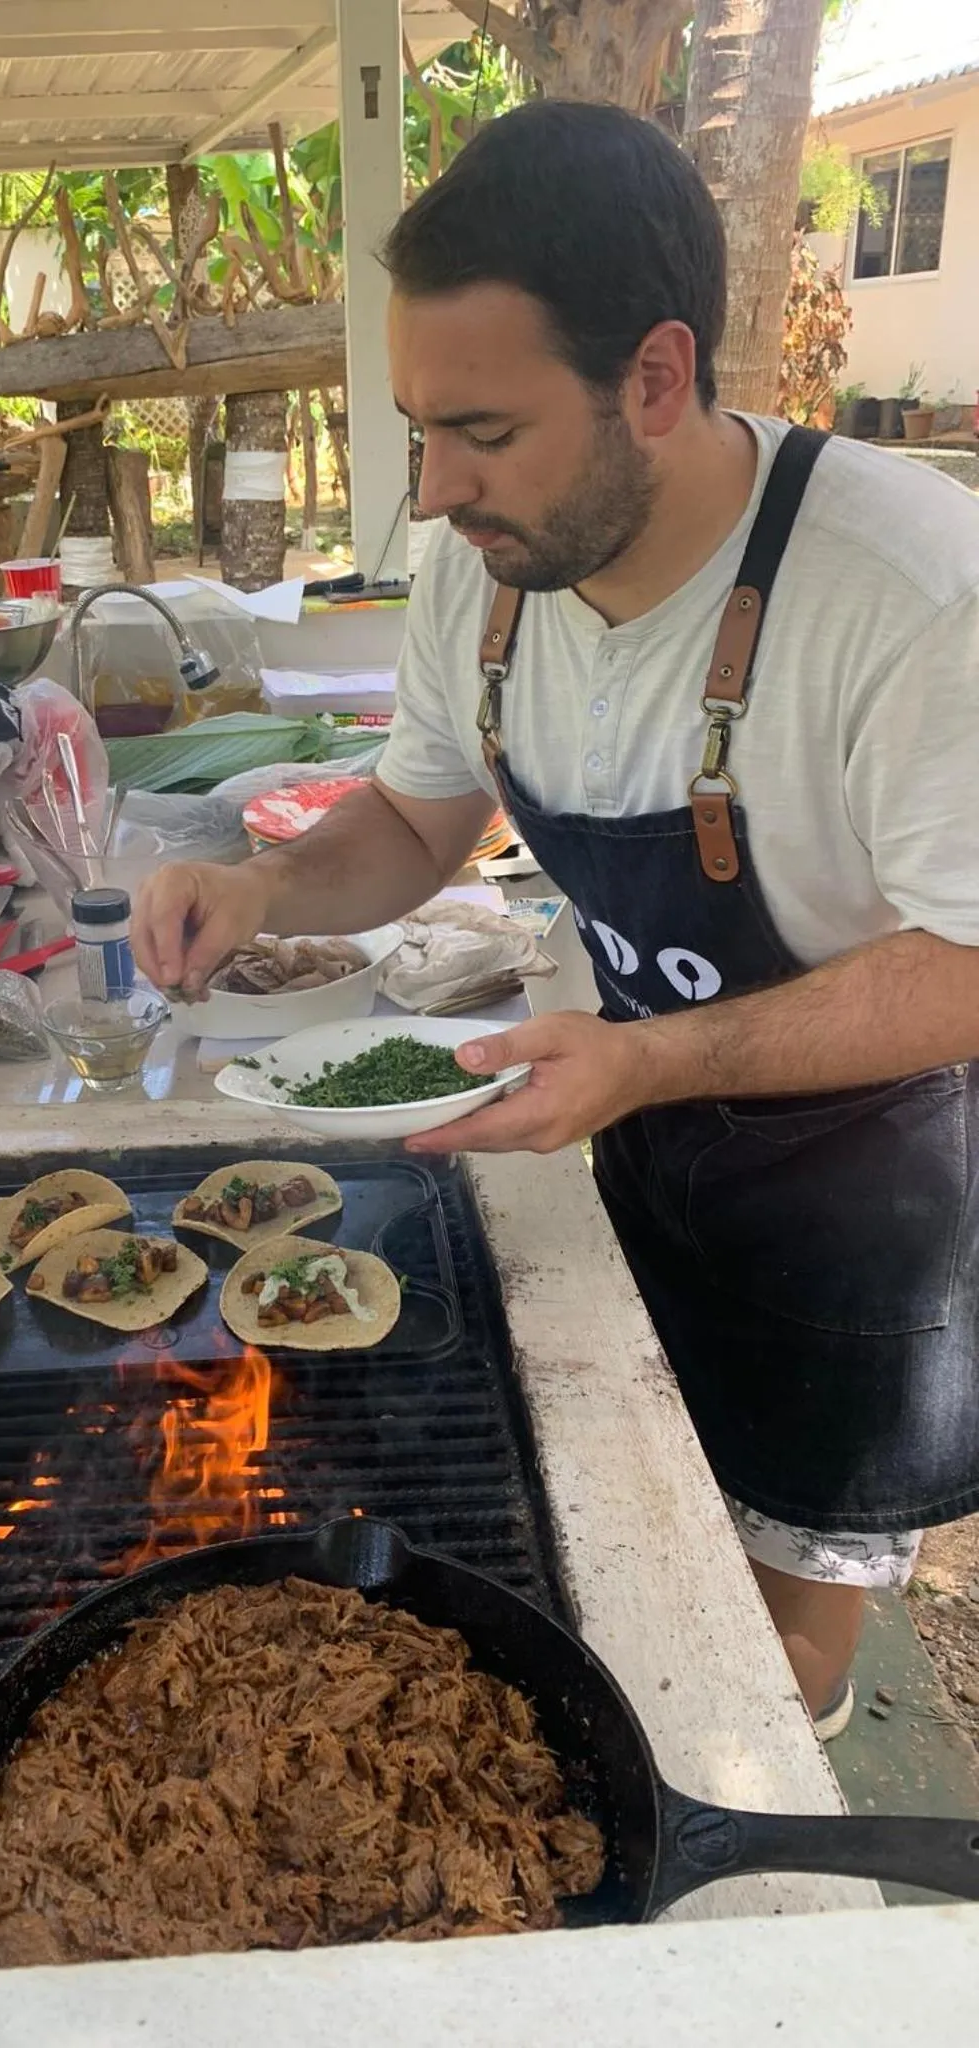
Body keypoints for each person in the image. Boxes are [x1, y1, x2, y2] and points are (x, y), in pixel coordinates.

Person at [133, 101, 979, 1741]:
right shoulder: (487, 568)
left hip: (860, 1194)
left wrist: (651, 1059)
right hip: (643, 1135)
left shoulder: (912, 592)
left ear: (654, 378)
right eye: (417, 431)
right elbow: (414, 821)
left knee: (764, 1671)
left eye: (483, 432)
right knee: (636, 1543)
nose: (434, 492)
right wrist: (263, 889)